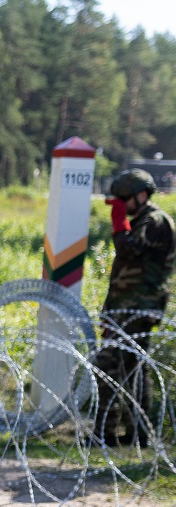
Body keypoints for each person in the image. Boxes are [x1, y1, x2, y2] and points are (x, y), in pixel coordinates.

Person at [93, 169, 175, 445]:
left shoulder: (155, 221)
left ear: (141, 195)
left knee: (118, 369)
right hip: (126, 309)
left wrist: (118, 222)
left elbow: (128, 250)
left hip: (138, 309)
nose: (120, 205)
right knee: (126, 370)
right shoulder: (142, 220)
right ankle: (128, 434)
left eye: (123, 199)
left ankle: (126, 434)